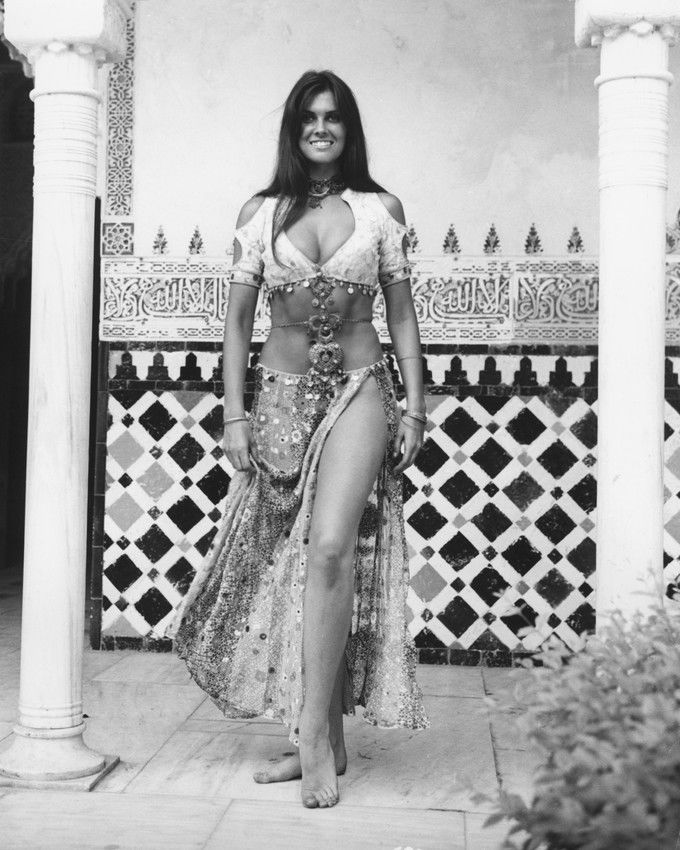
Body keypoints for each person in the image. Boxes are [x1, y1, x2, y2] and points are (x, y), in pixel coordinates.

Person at [165, 69, 429, 809]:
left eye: (333, 117)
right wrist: (234, 414)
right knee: (296, 565)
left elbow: (401, 315)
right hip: (280, 399)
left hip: (360, 391)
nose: (321, 128)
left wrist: (415, 407)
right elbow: (236, 324)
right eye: (309, 117)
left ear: (349, 129)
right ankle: (330, 738)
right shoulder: (261, 212)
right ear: (293, 128)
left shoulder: (380, 209)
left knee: (332, 549)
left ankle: (310, 735)